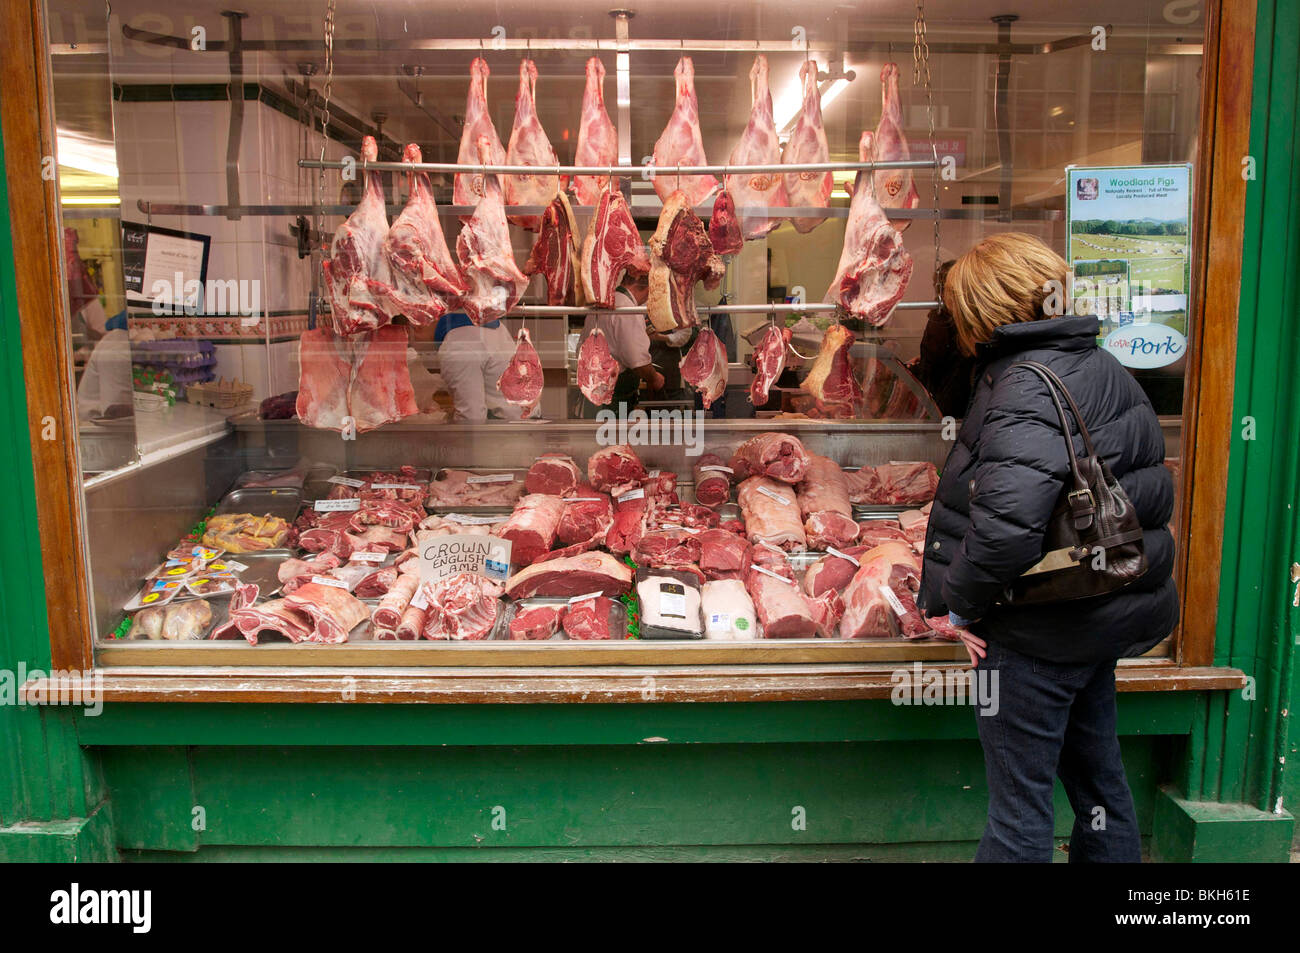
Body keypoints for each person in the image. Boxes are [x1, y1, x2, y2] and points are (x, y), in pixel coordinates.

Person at [915, 232, 1177, 864]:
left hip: (1037, 636)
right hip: (1095, 619)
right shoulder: (1094, 361)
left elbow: (1007, 529)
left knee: (1018, 817)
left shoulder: (1024, 384)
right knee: (1100, 789)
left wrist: (959, 606)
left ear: (980, 313)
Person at [577, 273, 664, 417]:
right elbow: (637, 361)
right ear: (648, 288)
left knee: (593, 437)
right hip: (615, 398)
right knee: (615, 438)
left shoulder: (605, 302)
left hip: (594, 391)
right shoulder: (628, 308)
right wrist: (655, 378)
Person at [908, 260, 976, 417]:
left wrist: (917, 369)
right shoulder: (948, 316)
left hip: (948, 400)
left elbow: (934, 362)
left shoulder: (944, 319)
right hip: (949, 397)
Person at [434, 311, 531, 422]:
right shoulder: (492, 327)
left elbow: (471, 418)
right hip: (520, 428)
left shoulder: (459, 342)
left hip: (504, 434)